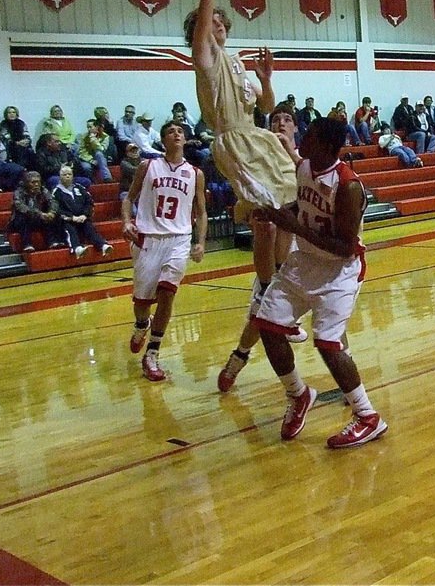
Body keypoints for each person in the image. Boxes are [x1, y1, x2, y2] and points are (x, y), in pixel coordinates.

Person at [252, 118, 388, 448]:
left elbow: (344, 247)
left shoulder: (348, 186)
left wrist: (294, 227)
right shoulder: (305, 167)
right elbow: (302, 204)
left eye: (309, 136)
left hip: (338, 271)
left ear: (326, 146)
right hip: (304, 262)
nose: (302, 139)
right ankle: (298, 395)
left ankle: (367, 416)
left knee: (327, 344)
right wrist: (276, 213)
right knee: (267, 326)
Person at [185, 0, 298, 218]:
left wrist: (266, 80)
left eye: (221, 20)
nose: (217, 23)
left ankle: (273, 249)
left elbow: (266, 107)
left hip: (254, 135)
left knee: (294, 191)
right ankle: (248, 209)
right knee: (272, 210)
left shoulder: (236, 62)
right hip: (234, 141)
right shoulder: (206, 57)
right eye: (212, 21)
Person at [217, 104, 306, 393]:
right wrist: (249, 209)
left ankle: (350, 386)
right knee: (260, 317)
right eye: (275, 119)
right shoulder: (257, 165)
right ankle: (239, 357)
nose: (281, 123)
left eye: (287, 119)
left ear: (295, 128)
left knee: (334, 321)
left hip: (309, 254)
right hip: (275, 260)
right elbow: (239, 211)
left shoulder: (304, 162)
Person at [122, 122, 207, 382]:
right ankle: (141, 325)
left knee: (168, 294)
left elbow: (201, 212)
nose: (177, 134)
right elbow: (129, 198)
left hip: (178, 238)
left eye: (180, 131)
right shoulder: (148, 166)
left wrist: (200, 241)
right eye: (171, 131)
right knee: (142, 303)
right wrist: (127, 221)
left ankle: (153, 354)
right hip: (148, 237)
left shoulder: (195, 173)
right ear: (163, 140)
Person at [51, 164, 113, 258]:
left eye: (69, 174)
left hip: (82, 218)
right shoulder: (56, 192)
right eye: (65, 175)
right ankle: (77, 249)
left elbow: (89, 202)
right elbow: (56, 209)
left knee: (90, 228)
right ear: (60, 177)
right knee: (70, 229)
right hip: (66, 221)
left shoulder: (80, 188)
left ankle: (103, 246)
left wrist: (85, 215)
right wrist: (72, 218)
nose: (67, 176)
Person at [7, 171, 65, 251]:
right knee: (23, 217)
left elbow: (53, 201)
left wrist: (52, 212)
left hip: (38, 219)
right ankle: (27, 244)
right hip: (21, 221)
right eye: (33, 182)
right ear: (26, 183)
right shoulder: (18, 192)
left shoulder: (43, 190)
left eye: (38, 182)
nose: (36, 185)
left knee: (57, 215)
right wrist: (39, 214)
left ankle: (54, 241)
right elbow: (21, 206)